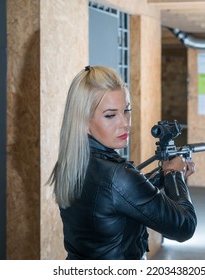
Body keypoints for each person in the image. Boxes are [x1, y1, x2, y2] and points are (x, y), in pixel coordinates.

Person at [49, 65, 197, 260]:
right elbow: (184, 226)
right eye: (110, 115)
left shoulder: (70, 163)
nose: (125, 122)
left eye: (126, 110)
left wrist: (162, 174)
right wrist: (175, 175)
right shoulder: (118, 177)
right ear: (83, 121)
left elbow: (118, 198)